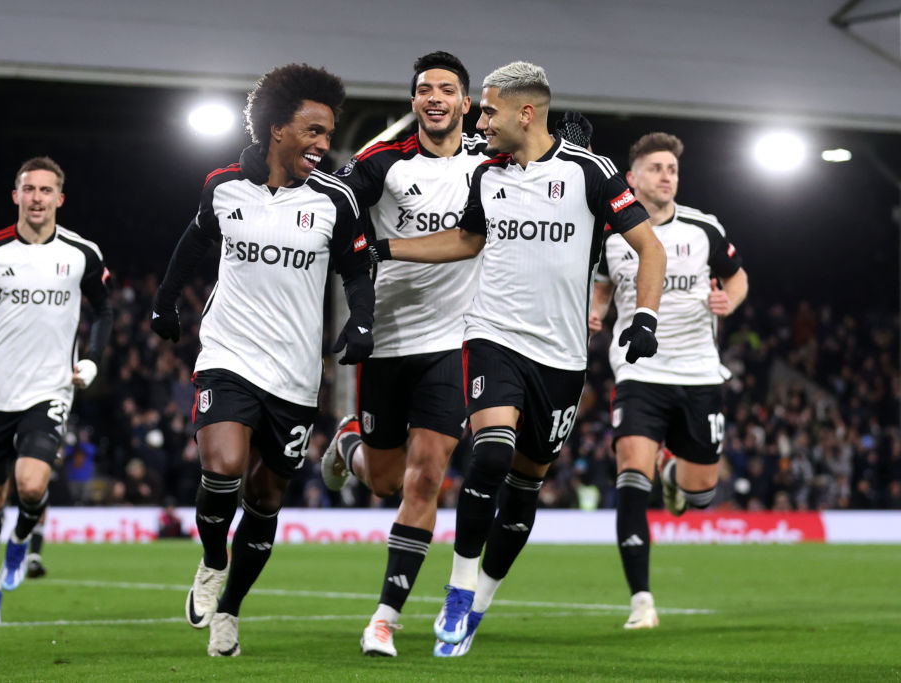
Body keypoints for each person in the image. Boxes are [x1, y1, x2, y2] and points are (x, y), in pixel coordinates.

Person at [366, 61, 666, 656]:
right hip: (492, 335)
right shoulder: (488, 175)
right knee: (491, 452)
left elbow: (648, 247)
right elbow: (467, 240)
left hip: (560, 356)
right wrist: (386, 247)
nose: (481, 120)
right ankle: (457, 587)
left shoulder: (591, 174)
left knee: (526, 484)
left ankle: (482, 597)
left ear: (525, 113)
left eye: (489, 110)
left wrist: (646, 318)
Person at [150, 63, 374, 658]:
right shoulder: (223, 184)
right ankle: (212, 558)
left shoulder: (335, 199)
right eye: (313, 131)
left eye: (329, 134)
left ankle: (230, 609)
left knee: (267, 497)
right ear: (277, 129)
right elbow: (195, 240)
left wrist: (363, 321)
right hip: (228, 350)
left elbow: (356, 268)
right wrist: (165, 302)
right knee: (222, 464)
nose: (323, 145)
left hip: (297, 373)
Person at [318, 50, 485, 658]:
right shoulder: (382, 161)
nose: (434, 97)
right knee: (385, 478)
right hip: (387, 340)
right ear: (413, 102)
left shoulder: (489, 164)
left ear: (467, 102)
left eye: (446, 88)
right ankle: (348, 443)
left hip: (455, 342)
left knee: (425, 479)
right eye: (424, 89)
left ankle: (384, 617)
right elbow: (337, 209)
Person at [0, 156, 112, 624]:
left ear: (59, 198)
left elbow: (105, 310)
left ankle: (22, 542)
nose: (37, 198)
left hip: (50, 388)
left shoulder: (82, 254)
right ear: (16, 196)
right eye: (29, 189)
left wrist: (91, 358)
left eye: (45, 190)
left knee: (32, 485)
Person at [589, 132, 748, 629]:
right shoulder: (610, 235)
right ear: (632, 178)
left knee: (701, 493)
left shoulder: (704, 228)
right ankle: (641, 601)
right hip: (640, 369)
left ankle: (678, 479)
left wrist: (731, 301)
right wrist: (596, 311)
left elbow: (738, 276)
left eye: (672, 169)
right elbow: (601, 283)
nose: (667, 176)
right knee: (633, 475)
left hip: (700, 371)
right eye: (656, 168)